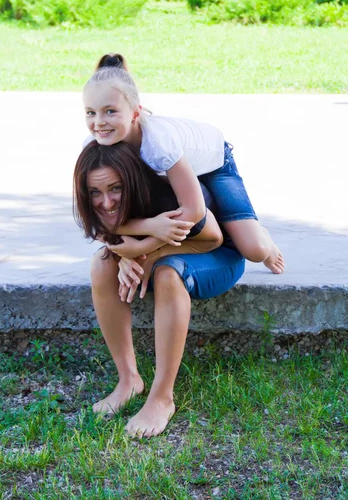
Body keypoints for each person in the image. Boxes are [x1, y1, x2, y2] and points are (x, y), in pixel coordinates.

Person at [73, 141, 245, 438]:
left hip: (220, 254)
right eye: (95, 192)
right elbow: (108, 238)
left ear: (132, 181)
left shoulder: (166, 197)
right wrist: (125, 255)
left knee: (167, 273)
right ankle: (129, 380)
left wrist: (149, 255)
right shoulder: (96, 205)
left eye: (115, 189)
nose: (106, 202)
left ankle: (162, 398)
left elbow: (212, 238)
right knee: (102, 264)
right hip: (173, 249)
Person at [82, 53, 285, 275]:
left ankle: (260, 233)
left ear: (135, 112)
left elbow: (194, 211)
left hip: (215, 164)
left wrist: (144, 246)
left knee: (255, 250)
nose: (99, 122)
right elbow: (95, 218)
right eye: (91, 112)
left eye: (110, 111)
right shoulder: (94, 146)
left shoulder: (159, 143)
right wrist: (150, 227)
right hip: (175, 171)